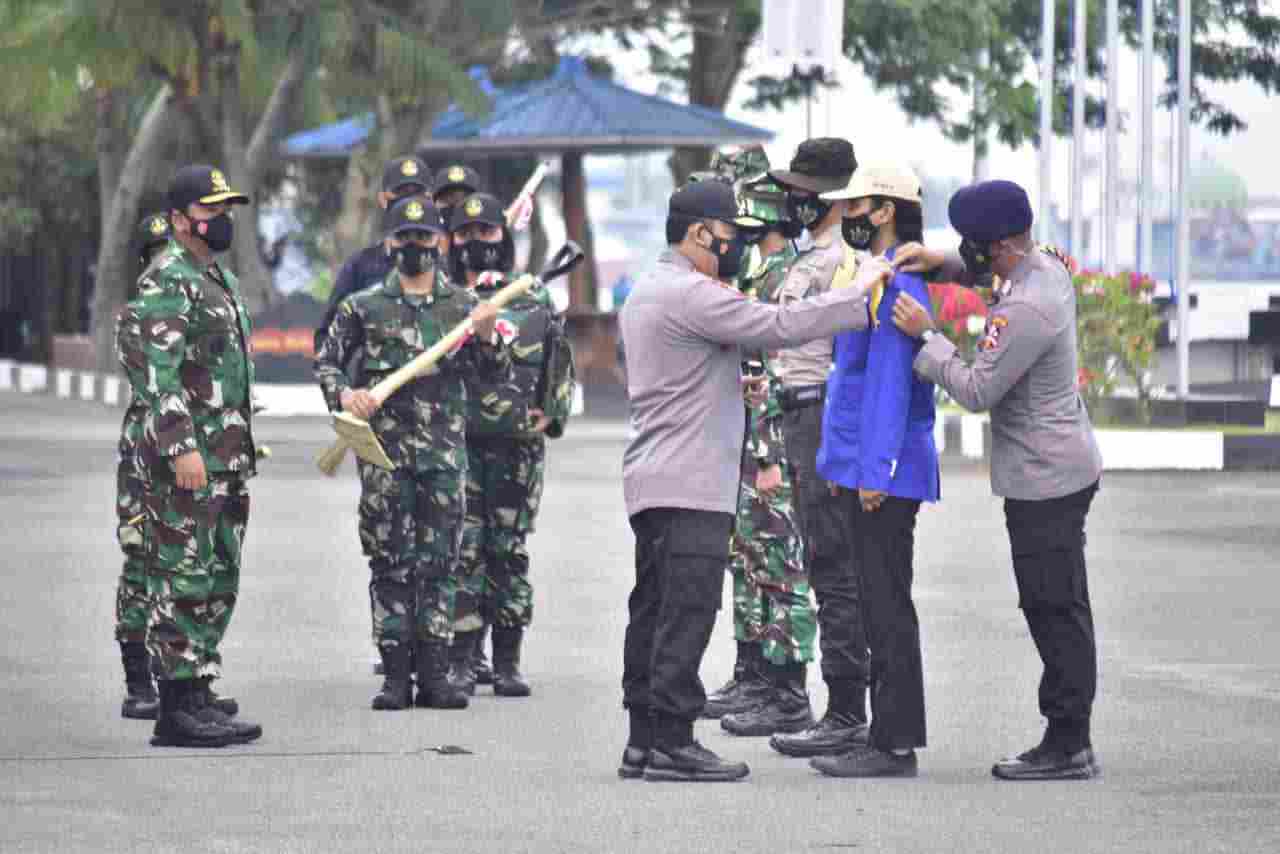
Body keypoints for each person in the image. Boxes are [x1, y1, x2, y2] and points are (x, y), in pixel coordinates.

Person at [618, 178, 893, 783]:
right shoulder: (689, 291)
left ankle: (643, 739)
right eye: (726, 239)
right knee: (685, 614)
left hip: (656, 477)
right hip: (689, 482)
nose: (732, 250)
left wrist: (728, 391)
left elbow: (686, 372)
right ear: (697, 233)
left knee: (654, 611)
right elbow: (778, 324)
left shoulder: (649, 288)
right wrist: (861, 294)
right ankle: (673, 741)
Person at [890, 179, 1104, 780]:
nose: (971, 254)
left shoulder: (1025, 310)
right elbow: (989, 271)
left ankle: (1068, 744)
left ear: (1002, 246)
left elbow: (978, 388)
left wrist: (925, 337)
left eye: (974, 246)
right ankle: (1070, 736)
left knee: (1053, 607)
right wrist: (943, 262)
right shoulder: (1044, 267)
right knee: (1058, 603)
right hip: (1057, 466)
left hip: (1046, 478)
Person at [314, 196, 506, 712]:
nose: (417, 247)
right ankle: (396, 675)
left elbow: (493, 382)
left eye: (425, 237)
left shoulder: (464, 309)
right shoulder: (364, 306)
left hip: (444, 460)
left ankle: (437, 675)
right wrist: (344, 394)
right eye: (406, 238)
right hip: (384, 459)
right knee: (390, 564)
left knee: (441, 566)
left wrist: (487, 340)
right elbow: (327, 360)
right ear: (389, 244)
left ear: (440, 243)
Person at [116, 165, 263, 748]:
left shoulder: (211, 277)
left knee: (216, 574)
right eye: (211, 209)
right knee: (182, 575)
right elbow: (158, 375)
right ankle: (174, 707)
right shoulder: (167, 281)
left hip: (225, 460)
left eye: (226, 208)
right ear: (179, 219)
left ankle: (198, 686)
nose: (221, 219)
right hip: (189, 461)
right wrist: (180, 447)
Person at [804, 163, 940, 778]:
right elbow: (849, 380)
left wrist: (875, 472)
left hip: (885, 469)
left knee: (885, 604)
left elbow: (889, 383)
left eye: (855, 206)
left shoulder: (900, 282)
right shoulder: (872, 274)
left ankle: (894, 743)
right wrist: (842, 462)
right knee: (873, 598)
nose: (846, 217)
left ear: (885, 210)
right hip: (863, 461)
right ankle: (886, 734)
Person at [696, 149, 818, 740]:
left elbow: (774, 374)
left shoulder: (780, 279)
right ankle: (754, 675)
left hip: (769, 446)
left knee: (779, 565)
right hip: (750, 445)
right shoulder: (756, 278)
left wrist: (769, 455)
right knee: (748, 562)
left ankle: (787, 688)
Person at [765, 138, 875, 760]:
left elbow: (842, 354)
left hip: (822, 414)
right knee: (823, 562)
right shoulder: (810, 257)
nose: (794, 201)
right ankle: (842, 706)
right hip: (797, 410)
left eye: (805, 192)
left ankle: (844, 709)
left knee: (835, 566)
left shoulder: (844, 264)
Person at [445, 192, 576, 698]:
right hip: (459, 444)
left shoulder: (530, 297)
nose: (478, 243)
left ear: (504, 236)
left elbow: (557, 363)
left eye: (487, 232)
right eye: (467, 234)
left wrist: (554, 411)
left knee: (509, 552)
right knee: (463, 553)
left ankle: (507, 660)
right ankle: (462, 659)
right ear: (452, 241)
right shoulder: (445, 298)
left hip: (518, 447)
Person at [111, 211, 176, 722]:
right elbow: (156, 380)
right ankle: (139, 682)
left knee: (187, 564)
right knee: (141, 560)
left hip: (191, 448)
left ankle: (182, 679)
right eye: (156, 257)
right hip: (146, 451)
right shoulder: (136, 316)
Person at [315, 155, 431, 353]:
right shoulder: (360, 267)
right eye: (400, 192)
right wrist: (347, 384)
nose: (409, 202)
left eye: (417, 193)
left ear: (430, 200)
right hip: (374, 380)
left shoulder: (444, 270)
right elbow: (326, 341)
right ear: (383, 199)